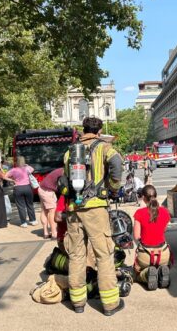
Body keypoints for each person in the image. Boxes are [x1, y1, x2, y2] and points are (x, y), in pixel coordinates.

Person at [64, 116, 124, 315]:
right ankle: (110, 304)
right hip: (96, 208)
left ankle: (78, 302)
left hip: (73, 208)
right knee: (103, 255)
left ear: (83, 129)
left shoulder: (70, 151)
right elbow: (117, 163)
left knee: (76, 254)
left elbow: (65, 177)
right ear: (98, 132)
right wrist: (114, 189)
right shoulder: (104, 148)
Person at [133, 185, 172, 290]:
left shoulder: (139, 213)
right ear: (156, 196)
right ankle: (161, 271)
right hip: (163, 254)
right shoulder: (165, 212)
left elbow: (136, 236)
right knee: (162, 262)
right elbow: (163, 230)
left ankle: (147, 274)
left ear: (143, 198)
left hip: (145, 255)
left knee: (136, 274)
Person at [6, 156, 37, 228]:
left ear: (16, 162)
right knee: (30, 204)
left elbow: (5, 176)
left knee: (21, 206)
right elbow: (33, 169)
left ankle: (23, 222)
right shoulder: (27, 168)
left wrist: (12, 180)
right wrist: (26, 165)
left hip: (18, 188)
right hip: (27, 187)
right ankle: (33, 220)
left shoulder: (13, 170)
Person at [37, 167, 63, 239]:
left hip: (41, 188)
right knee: (52, 211)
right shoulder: (64, 171)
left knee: (44, 210)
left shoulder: (60, 170)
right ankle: (54, 233)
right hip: (47, 191)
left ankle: (46, 232)